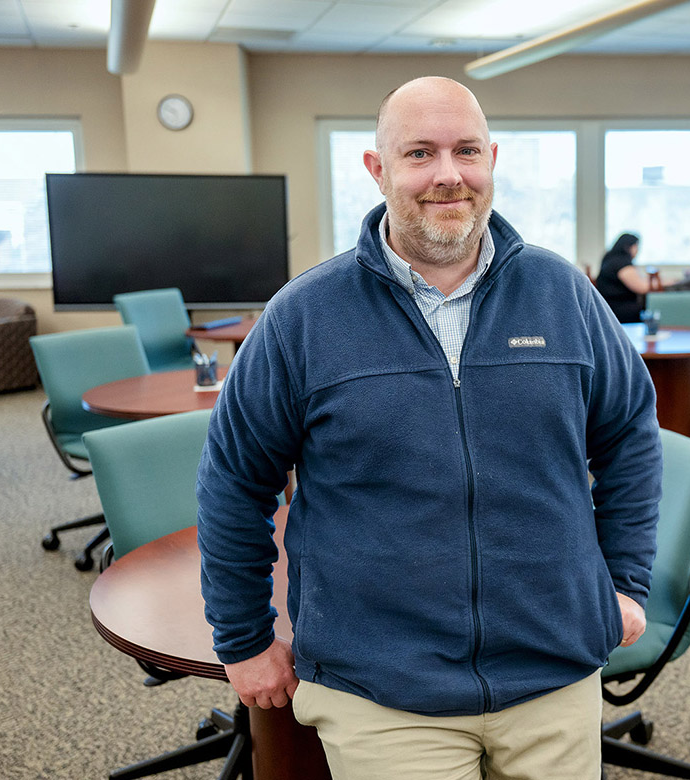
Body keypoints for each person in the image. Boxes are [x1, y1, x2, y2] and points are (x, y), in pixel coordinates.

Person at [195, 76, 661, 780]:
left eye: (466, 151)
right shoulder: (303, 316)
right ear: (377, 170)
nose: (449, 175)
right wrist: (243, 638)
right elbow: (234, 482)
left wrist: (625, 582)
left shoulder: (562, 293)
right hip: (384, 688)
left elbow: (629, 438)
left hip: (554, 671)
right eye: (419, 153)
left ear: (492, 159)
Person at [594, 232, 650, 323]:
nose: (637, 251)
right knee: (651, 308)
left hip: (608, 306)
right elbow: (641, 288)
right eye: (636, 247)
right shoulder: (621, 263)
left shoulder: (611, 258)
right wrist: (662, 283)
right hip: (619, 309)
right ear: (629, 247)